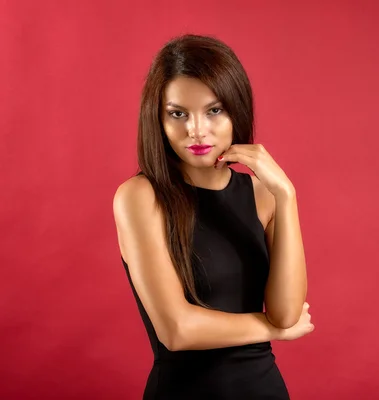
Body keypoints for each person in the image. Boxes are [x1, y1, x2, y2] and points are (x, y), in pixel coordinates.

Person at [112, 34, 314, 399]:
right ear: (157, 119)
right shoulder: (140, 197)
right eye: (178, 114)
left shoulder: (264, 196)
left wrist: (287, 195)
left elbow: (286, 312)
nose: (196, 130)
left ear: (236, 110)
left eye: (214, 110)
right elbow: (176, 331)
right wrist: (273, 331)